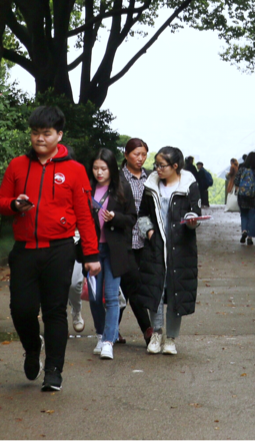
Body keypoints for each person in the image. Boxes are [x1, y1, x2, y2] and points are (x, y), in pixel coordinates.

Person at [0, 105, 100, 393]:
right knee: (21, 309)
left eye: (46, 133)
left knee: (55, 311)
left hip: (60, 249)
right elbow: (0, 201)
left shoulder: (75, 171)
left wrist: (91, 255)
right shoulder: (17, 165)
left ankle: (54, 371)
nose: (39, 139)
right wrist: (15, 204)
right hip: (25, 249)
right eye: (35, 133)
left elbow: (85, 215)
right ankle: (31, 348)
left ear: (59, 135)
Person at [136, 146, 202, 355]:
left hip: (181, 247)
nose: (158, 169)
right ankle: (156, 333)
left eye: (162, 165)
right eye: (156, 165)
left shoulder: (189, 185)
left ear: (175, 166)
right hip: (156, 246)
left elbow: (196, 212)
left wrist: (192, 222)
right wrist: (149, 233)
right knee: (156, 289)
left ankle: (171, 338)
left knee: (176, 292)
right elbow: (142, 214)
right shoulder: (151, 186)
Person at [86, 149, 139, 360]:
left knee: (111, 296)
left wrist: (115, 217)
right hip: (92, 250)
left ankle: (109, 340)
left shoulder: (121, 189)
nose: (99, 172)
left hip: (114, 249)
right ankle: (101, 334)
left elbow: (131, 218)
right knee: (94, 296)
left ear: (111, 169)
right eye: (96, 168)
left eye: (104, 168)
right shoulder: (87, 189)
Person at [118, 138, 154, 345]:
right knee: (133, 284)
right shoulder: (118, 178)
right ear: (126, 155)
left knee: (126, 285)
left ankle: (111, 329)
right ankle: (147, 329)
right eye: (136, 154)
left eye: (143, 155)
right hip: (122, 239)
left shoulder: (151, 177)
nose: (140, 159)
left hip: (144, 239)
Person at [236, 152, 255, 244]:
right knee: (252, 217)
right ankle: (250, 238)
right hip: (254, 198)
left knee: (244, 215)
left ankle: (244, 231)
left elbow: (236, 181)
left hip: (242, 197)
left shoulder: (242, 169)